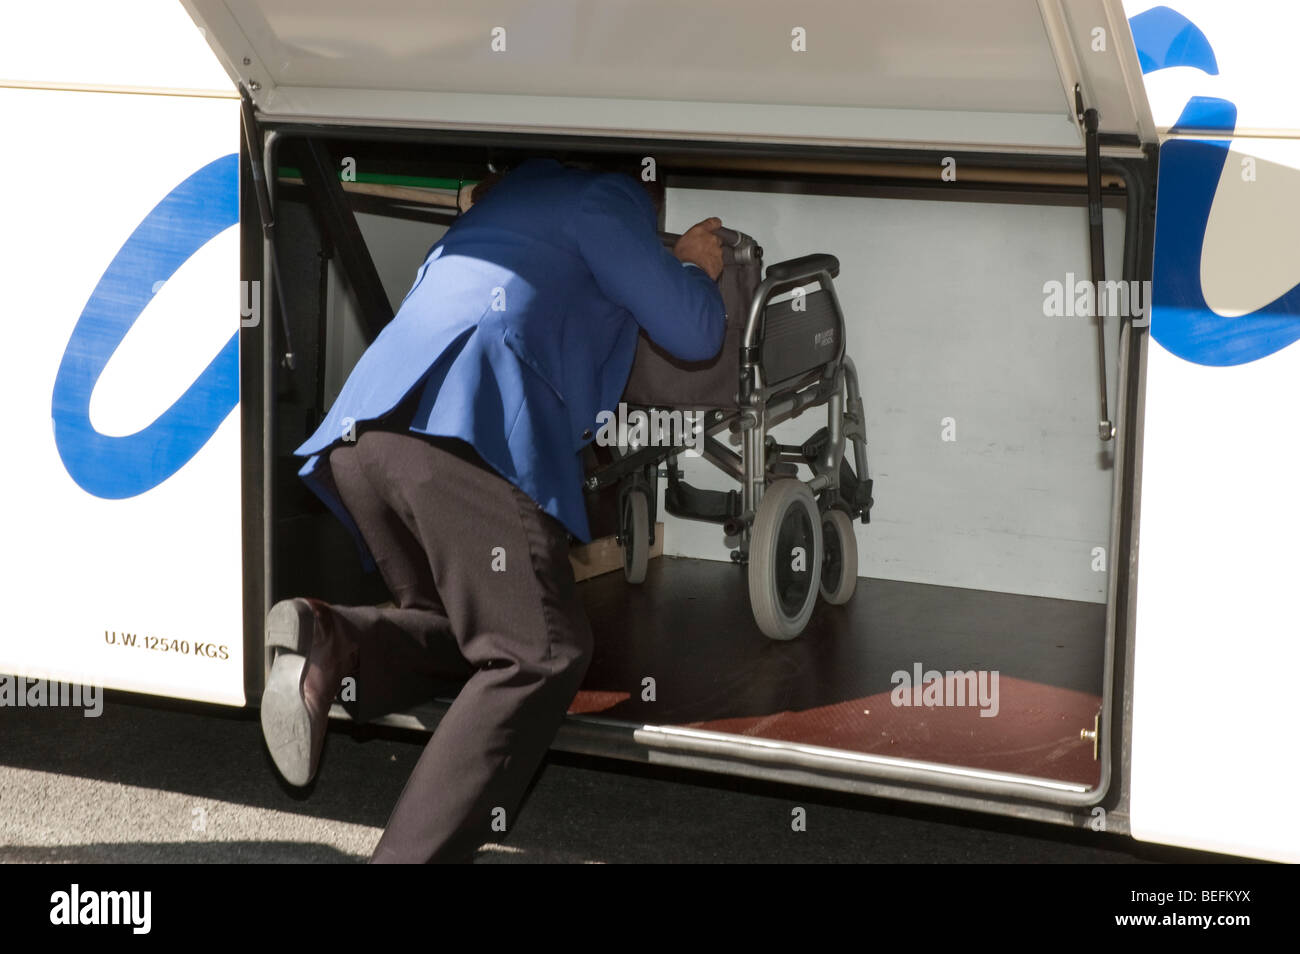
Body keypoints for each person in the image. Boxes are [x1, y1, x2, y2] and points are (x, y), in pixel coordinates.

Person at [259, 154, 727, 862]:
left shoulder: (497, 209)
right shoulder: (606, 198)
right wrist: (692, 265)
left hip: (368, 436)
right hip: (463, 425)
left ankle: (330, 642)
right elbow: (696, 331)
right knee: (538, 653)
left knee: (460, 631)